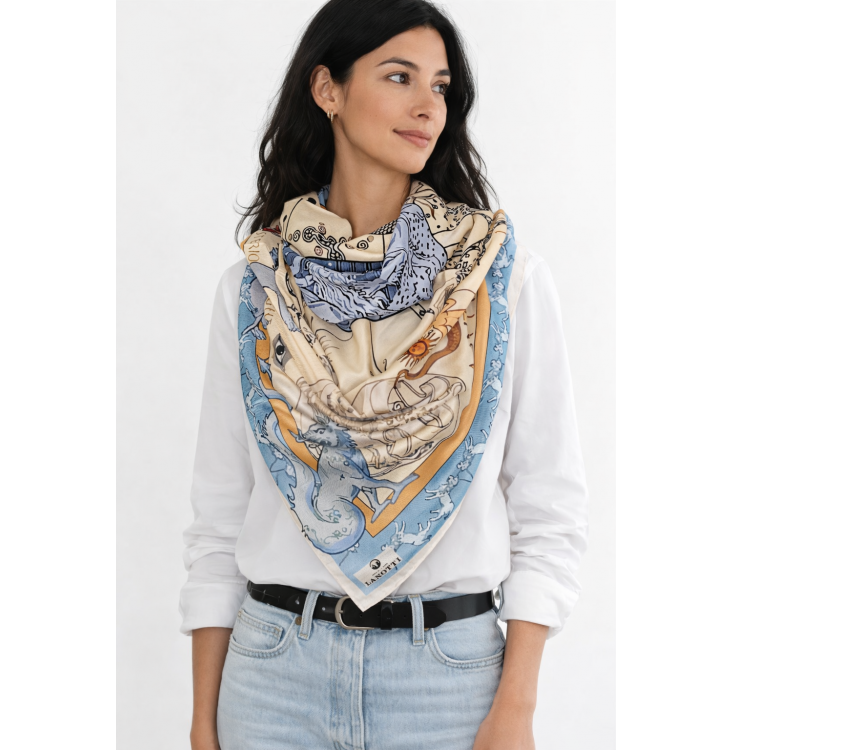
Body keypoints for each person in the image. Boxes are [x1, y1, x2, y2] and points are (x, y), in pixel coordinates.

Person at [179, 1, 589, 748]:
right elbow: (219, 518)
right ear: (327, 89)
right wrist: (203, 721)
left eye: (441, 86)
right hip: (272, 680)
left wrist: (518, 706)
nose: (427, 105)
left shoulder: (499, 283)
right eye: (399, 77)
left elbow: (549, 510)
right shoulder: (256, 291)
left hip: (448, 683)